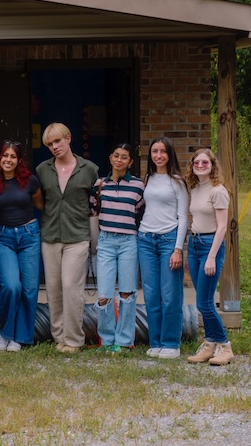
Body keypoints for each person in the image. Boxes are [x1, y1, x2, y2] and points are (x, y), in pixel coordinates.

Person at [36, 123, 99, 354]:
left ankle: (73, 339)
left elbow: (96, 204)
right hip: (50, 235)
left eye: (58, 141)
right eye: (50, 144)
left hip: (78, 235)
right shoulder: (42, 170)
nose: (54, 146)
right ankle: (59, 337)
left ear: (68, 138)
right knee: (53, 289)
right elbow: (39, 201)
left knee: (72, 287)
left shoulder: (89, 169)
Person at [0, 140, 44, 352]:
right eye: (5, 156)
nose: (8, 160)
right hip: (3, 237)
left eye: (13, 156)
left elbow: (40, 205)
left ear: (19, 160)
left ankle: (20, 337)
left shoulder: (30, 181)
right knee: (11, 286)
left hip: (29, 235)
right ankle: (5, 332)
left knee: (29, 288)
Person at [91, 143, 145, 353]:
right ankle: (106, 340)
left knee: (126, 293)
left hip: (128, 242)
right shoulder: (100, 185)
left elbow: (139, 210)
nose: (119, 160)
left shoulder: (138, 186)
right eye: (116, 155)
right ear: (110, 158)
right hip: (105, 241)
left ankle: (123, 341)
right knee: (104, 293)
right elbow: (93, 209)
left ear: (130, 162)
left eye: (124, 157)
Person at [138, 137, 189, 360]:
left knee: (170, 294)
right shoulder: (148, 179)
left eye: (163, 151)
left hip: (169, 239)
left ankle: (171, 343)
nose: (158, 155)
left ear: (170, 155)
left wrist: (178, 249)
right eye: (154, 151)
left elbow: (183, 217)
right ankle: (156, 342)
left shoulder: (177, 181)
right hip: (145, 239)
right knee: (151, 294)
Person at [185, 149, 235, 366]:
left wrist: (211, 257)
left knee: (204, 303)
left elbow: (222, 227)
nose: (200, 165)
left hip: (210, 246)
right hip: (194, 244)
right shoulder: (195, 188)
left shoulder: (218, 191)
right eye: (196, 162)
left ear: (212, 165)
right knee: (202, 300)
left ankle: (225, 346)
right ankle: (209, 344)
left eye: (205, 162)